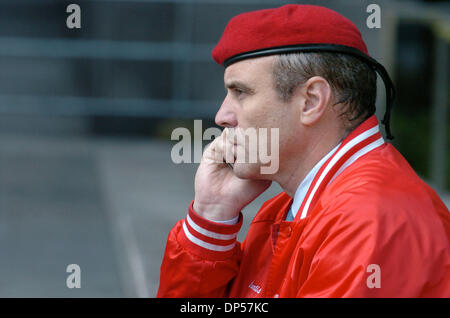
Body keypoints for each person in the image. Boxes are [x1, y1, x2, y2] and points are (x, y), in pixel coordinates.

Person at [157, 4, 450, 297]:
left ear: (311, 101)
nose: (222, 116)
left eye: (240, 92)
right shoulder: (291, 208)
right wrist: (212, 214)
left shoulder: (369, 222)